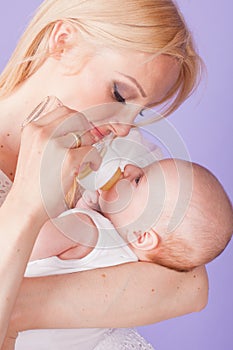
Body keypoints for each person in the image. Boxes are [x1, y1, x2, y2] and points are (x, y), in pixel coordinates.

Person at [0, 0, 210, 348]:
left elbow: (191, 284)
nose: (125, 129)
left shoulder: (120, 158)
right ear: (63, 40)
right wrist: (27, 203)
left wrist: (15, 308)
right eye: (118, 94)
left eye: (141, 113)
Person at [14, 158, 233, 349]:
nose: (128, 167)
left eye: (138, 180)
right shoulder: (133, 266)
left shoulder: (85, 228)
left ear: (143, 236)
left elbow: (18, 245)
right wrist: (89, 205)